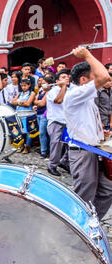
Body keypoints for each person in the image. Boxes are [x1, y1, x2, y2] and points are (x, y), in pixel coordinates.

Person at [63, 47, 112, 221]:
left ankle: (92, 224)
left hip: (95, 149)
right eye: (93, 76)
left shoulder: (85, 95)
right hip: (82, 152)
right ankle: (75, 228)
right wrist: (87, 55)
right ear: (84, 79)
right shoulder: (75, 94)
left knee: (107, 189)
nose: (98, 80)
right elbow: (105, 76)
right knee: (85, 194)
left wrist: (101, 134)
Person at [46, 68, 71, 176]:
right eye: (63, 77)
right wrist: (64, 86)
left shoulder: (71, 89)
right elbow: (58, 100)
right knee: (56, 145)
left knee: (71, 144)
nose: (67, 79)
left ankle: (64, 161)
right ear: (57, 81)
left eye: (67, 77)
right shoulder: (53, 91)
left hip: (68, 122)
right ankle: (52, 165)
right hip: (56, 121)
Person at [11, 78, 36, 154]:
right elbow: (13, 102)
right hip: (19, 114)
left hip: (28, 115)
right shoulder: (19, 93)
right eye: (22, 86)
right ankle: (21, 145)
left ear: (29, 85)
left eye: (25, 86)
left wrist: (18, 102)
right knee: (20, 131)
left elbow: (28, 103)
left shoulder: (31, 93)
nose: (23, 87)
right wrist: (22, 102)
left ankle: (27, 146)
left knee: (28, 131)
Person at [33, 75, 54, 158]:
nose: (42, 85)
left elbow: (42, 103)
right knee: (42, 133)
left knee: (42, 133)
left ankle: (44, 151)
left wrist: (37, 102)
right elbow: (35, 101)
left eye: (44, 83)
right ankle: (45, 149)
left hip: (45, 114)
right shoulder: (41, 91)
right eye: (42, 83)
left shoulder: (49, 92)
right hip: (39, 113)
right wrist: (38, 102)